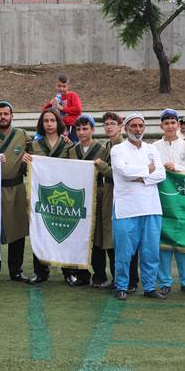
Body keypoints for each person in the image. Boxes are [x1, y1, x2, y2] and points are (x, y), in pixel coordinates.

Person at [110, 113, 166, 301]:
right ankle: (122, 286)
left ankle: (149, 287)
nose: (138, 129)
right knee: (124, 252)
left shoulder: (151, 149)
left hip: (151, 207)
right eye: (133, 126)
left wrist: (140, 177)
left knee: (150, 251)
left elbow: (161, 174)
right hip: (126, 208)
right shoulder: (117, 149)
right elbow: (123, 171)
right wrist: (147, 171)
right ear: (126, 128)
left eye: (140, 126)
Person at [0, 101, 32, 283]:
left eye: (6, 114)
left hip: (17, 188)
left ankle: (16, 271)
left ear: (12, 116)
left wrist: (28, 159)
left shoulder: (22, 135)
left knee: (18, 230)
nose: (3, 117)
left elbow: (36, 151)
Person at [153, 109, 185, 295]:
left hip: (182, 201)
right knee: (163, 241)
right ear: (161, 126)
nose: (170, 126)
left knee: (183, 241)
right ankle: (165, 281)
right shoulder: (154, 147)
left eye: (173, 122)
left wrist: (177, 168)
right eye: (167, 123)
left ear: (178, 125)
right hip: (161, 200)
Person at [24, 108, 71, 285]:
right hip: (41, 196)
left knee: (64, 231)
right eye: (46, 121)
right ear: (41, 124)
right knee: (40, 232)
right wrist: (25, 159)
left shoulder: (67, 144)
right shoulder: (35, 145)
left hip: (64, 196)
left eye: (52, 120)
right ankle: (40, 271)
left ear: (58, 122)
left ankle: (68, 271)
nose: (49, 124)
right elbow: (26, 170)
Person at [67, 115, 113, 288]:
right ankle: (82, 274)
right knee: (80, 236)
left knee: (97, 238)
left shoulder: (102, 149)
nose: (81, 132)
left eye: (85, 128)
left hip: (97, 195)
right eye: (78, 129)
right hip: (78, 196)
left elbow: (109, 172)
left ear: (93, 129)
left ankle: (100, 275)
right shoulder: (72, 150)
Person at [98, 112, 138, 290]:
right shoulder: (107, 145)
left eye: (112, 123)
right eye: (106, 124)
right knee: (111, 237)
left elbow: (121, 173)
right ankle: (117, 278)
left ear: (120, 126)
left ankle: (131, 280)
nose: (109, 127)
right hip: (109, 194)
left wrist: (102, 166)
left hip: (123, 194)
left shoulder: (125, 146)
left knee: (125, 238)